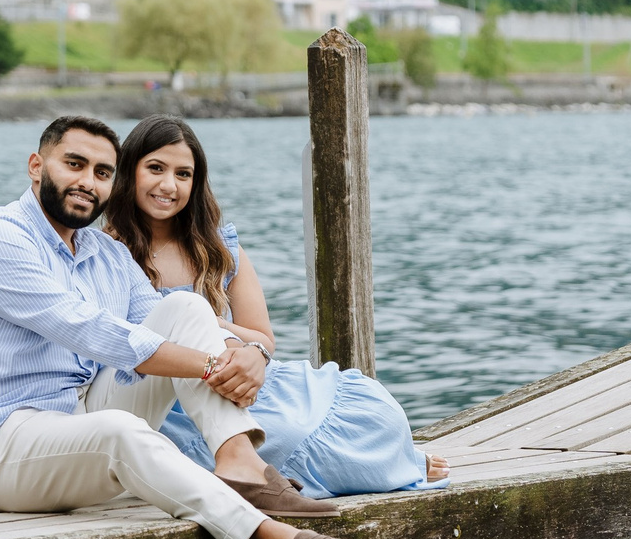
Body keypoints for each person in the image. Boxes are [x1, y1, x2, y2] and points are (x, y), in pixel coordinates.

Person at [0, 115, 360, 539]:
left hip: (80, 418)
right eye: (74, 164)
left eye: (101, 172)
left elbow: (170, 320)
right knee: (120, 428)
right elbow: (93, 332)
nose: (86, 182)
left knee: (185, 305)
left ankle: (238, 461)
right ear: (37, 166)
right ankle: (273, 536)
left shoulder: (105, 253)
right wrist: (213, 365)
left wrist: (251, 353)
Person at [103, 115, 450, 498]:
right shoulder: (104, 254)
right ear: (129, 171)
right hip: (179, 402)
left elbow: (263, 337)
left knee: (377, 408)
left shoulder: (219, 249)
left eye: (183, 174)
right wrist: (205, 331)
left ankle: (393, 457)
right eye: (155, 168)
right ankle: (377, 464)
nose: (169, 185)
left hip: (252, 378)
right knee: (284, 436)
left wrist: (242, 346)